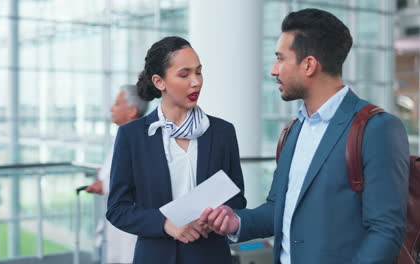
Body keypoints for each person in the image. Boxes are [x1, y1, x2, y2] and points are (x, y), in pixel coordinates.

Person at [200, 8, 410, 264]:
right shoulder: (293, 130)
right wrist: (237, 221)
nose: (273, 70)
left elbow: (386, 231)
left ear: (309, 65)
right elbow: (279, 208)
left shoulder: (376, 128)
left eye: (280, 58)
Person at [106, 36, 247, 264]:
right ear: (159, 82)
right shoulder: (132, 136)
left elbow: (237, 198)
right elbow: (117, 210)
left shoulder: (222, 132)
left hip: (210, 256)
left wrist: (215, 217)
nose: (196, 82)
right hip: (155, 256)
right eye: (184, 74)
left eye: (198, 72)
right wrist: (166, 223)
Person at [85, 84, 148, 264]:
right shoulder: (123, 137)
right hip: (117, 220)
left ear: (132, 111)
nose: (112, 108)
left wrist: (103, 185)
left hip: (129, 223)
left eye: (117, 103)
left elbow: (137, 177)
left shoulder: (138, 139)